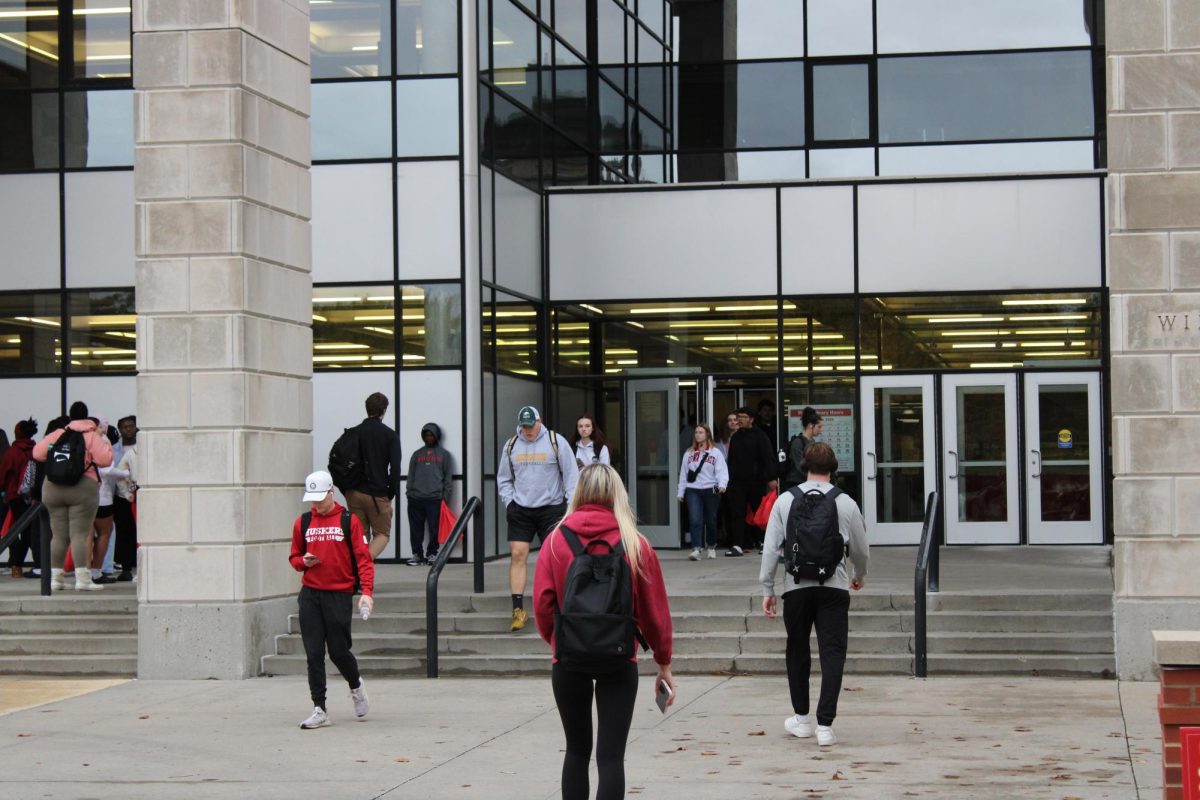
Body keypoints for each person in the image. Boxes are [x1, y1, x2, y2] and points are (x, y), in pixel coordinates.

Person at [532, 463, 674, 800]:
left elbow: (542, 604)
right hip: (618, 656)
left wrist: (557, 640)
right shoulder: (635, 543)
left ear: (578, 491)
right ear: (617, 494)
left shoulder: (555, 541)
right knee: (611, 757)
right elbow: (654, 611)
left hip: (568, 658)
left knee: (576, 751)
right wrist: (663, 661)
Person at [759, 442, 869, 748]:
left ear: (804, 465)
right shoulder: (845, 502)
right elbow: (860, 549)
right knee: (832, 653)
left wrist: (767, 588)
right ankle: (825, 726)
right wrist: (859, 576)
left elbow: (770, 550)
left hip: (796, 587)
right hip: (834, 586)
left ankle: (802, 720)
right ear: (833, 469)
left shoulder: (785, 500)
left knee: (797, 650)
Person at [289, 469, 375, 730]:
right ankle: (319, 708)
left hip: (338, 594)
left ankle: (356, 686)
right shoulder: (302, 523)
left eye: (319, 497)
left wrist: (367, 593)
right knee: (313, 653)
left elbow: (363, 559)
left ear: (331, 492)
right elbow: (294, 557)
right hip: (310, 594)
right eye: (311, 499)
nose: (316, 503)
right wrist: (302, 562)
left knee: (338, 651)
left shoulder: (348, 521)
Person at [497, 406, 579, 632]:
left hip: (551, 508)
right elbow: (504, 478)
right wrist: (509, 502)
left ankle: (558, 607)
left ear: (539, 421)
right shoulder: (511, 445)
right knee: (517, 555)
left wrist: (570, 506)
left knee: (553, 558)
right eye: (524, 426)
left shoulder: (556, 441)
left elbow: (572, 476)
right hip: (521, 509)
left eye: (531, 425)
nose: (528, 430)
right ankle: (517, 610)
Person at [31, 402, 113, 591]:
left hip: (52, 488)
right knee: (80, 534)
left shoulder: (58, 434)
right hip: (82, 488)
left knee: (58, 535)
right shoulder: (91, 436)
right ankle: (83, 579)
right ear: (87, 417)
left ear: (70, 416)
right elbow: (105, 460)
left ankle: (55, 579)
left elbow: (37, 453)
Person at [343, 392, 402, 559]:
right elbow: (395, 469)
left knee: (360, 536)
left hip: (354, 493)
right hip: (377, 494)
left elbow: (339, 463)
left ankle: (356, 574)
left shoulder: (353, 433)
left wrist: (347, 490)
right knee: (382, 534)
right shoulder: (390, 435)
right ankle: (363, 564)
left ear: (366, 409)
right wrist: (390, 493)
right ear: (384, 410)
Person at [724, 406, 777, 556]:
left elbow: (768, 457)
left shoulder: (760, 436)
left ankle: (764, 542)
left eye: (743, 417)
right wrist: (729, 479)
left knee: (759, 512)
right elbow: (731, 461)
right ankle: (738, 545)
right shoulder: (736, 437)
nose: (739, 420)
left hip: (756, 481)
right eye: (738, 417)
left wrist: (771, 477)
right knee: (737, 513)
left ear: (751, 419)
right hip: (737, 482)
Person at [405, 422, 454, 566]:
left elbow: (448, 478)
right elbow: (410, 476)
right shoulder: (417, 454)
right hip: (415, 499)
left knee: (434, 529)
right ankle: (417, 555)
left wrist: (445, 498)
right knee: (415, 530)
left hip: (435, 499)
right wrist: (409, 493)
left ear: (437, 436)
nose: (429, 437)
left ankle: (432, 554)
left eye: (431, 435)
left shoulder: (444, 455)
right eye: (426, 435)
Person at [677, 424, 728, 561]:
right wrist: (681, 492)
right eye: (696, 432)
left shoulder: (715, 452)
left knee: (711, 520)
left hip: (712, 488)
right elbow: (683, 474)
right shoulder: (689, 453)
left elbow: (722, 471)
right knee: (695, 519)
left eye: (701, 432)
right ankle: (696, 548)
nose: (698, 435)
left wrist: (722, 486)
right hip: (692, 489)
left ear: (707, 435)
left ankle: (711, 546)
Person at [1, 418, 38, 577]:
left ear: (18, 433)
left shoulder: (13, 451)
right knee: (30, 531)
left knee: (15, 531)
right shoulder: (36, 449)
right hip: (33, 497)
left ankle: (16, 565)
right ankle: (32, 563)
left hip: (15, 496)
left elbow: (3, 474)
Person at [111, 415, 138, 581]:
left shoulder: (142, 446)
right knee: (124, 532)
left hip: (140, 494)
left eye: (131, 426)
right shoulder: (114, 449)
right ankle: (125, 567)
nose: (128, 429)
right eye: (125, 427)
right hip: (121, 497)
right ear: (119, 429)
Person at [781, 407, 824, 491]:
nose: (821, 430)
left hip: (807, 482)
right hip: (796, 483)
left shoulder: (812, 441)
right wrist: (818, 476)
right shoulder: (797, 443)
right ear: (810, 425)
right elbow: (801, 467)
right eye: (819, 427)